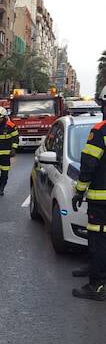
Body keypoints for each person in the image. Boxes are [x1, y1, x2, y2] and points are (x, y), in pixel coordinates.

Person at [71, 86, 106, 301]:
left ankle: (97, 285)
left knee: (98, 238)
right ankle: (94, 269)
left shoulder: (100, 131)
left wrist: (79, 191)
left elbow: (89, 165)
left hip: (101, 200)